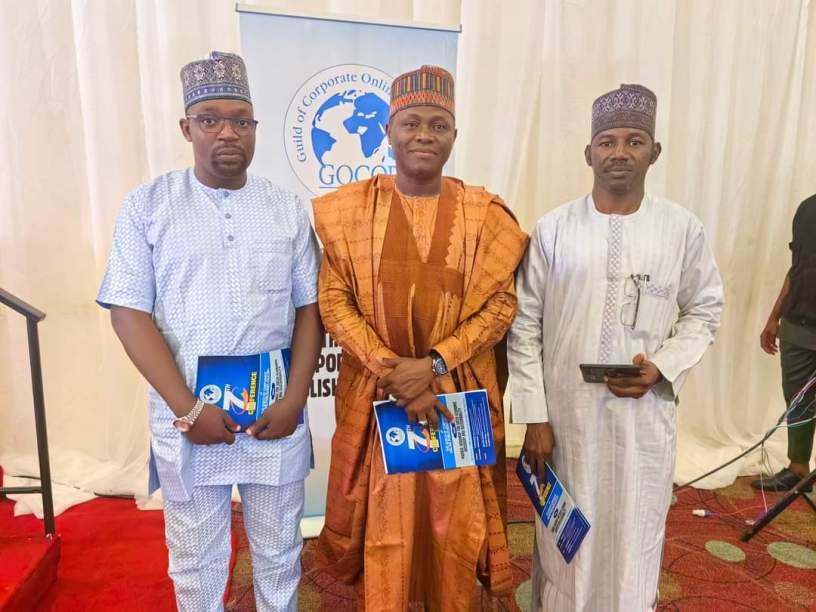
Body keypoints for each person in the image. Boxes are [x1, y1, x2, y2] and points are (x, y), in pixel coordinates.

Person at [96, 51, 322, 611]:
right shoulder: (148, 206)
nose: (228, 132)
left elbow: (309, 309)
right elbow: (127, 311)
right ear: (186, 128)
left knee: (280, 553)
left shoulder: (286, 208)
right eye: (210, 119)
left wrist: (295, 400)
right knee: (196, 562)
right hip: (188, 420)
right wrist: (189, 409)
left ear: (255, 128)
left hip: (273, 418)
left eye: (241, 120)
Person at [311, 65, 528, 610]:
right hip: (378, 392)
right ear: (388, 130)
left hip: (457, 391)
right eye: (411, 123)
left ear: (454, 135)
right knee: (383, 518)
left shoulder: (486, 215)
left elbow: (501, 305)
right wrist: (396, 372)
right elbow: (334, 302)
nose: (424, 135)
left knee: (455, 522)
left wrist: (431, 365)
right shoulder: (348, 210)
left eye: (438, 125)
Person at [508, 84, 724, 611]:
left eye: (634, 141)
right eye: (607, 142)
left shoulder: (681, 229)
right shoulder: (554, 229)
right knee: (565, 542)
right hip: (566, 422)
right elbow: (525, 324)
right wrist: (535, 418)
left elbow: (705, 309)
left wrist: (663, 367)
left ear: (655, 151)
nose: (620, 152)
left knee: (636, 533)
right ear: (589, 153)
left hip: (642, 422)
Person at [752, 195, 816, 491]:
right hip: (797, 325)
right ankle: (798, 469)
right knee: (797, 398)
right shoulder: (807, 209)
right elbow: (797, 268)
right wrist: (774, 317)